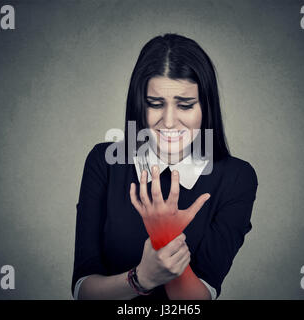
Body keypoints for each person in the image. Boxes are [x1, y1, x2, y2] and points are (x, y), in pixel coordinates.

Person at [71, 33, 258, 300]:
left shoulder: (237, 178)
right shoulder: (105, 161)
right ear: (139, 105)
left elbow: (198, 299)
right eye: (155, 104)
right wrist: (141, 279)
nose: (169, 122)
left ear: (206, 106)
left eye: (185, 105)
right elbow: (83, 290)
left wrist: (163, 235)